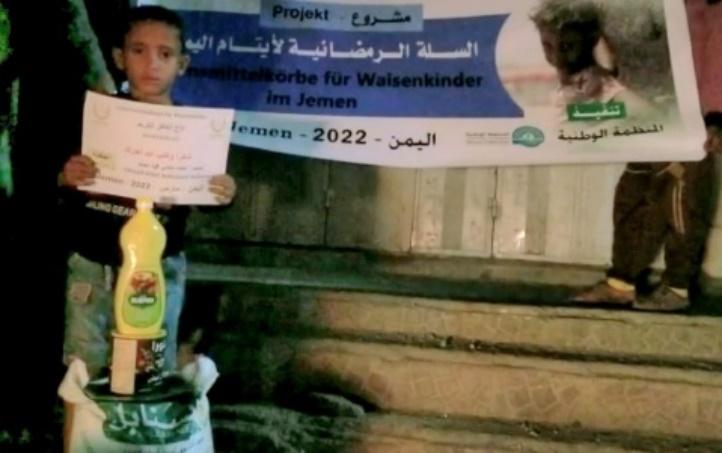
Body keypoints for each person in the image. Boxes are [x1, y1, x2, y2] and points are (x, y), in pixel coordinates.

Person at [59, 5, 236, 380]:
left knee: (146, 369)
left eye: (165, 54)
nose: (151, 64)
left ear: (182, 64)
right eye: (138, 51)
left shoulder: (194, 132)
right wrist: (67, 176)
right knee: (83, 368)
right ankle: (83, 421)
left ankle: (140, 419)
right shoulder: (97, 120)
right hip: (93, 262)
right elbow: (63, 179)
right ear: (119, 58)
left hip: (157, 267)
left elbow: (211, 196)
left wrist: (224, 191)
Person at [570, 0, 722, 311]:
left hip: (691, 120)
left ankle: (677, 287)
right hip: (650, 113)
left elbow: (717, 55)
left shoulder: (708, 9)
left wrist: (716, 115)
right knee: (634, 195)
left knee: (682, 200)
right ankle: (621, 283)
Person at [531, 0, 654, 122]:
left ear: (592, 40)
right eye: (547, 46)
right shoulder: (560, 87)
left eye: (568, 47)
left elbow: (647, 113)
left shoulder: (600, 89)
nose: (557, 58)